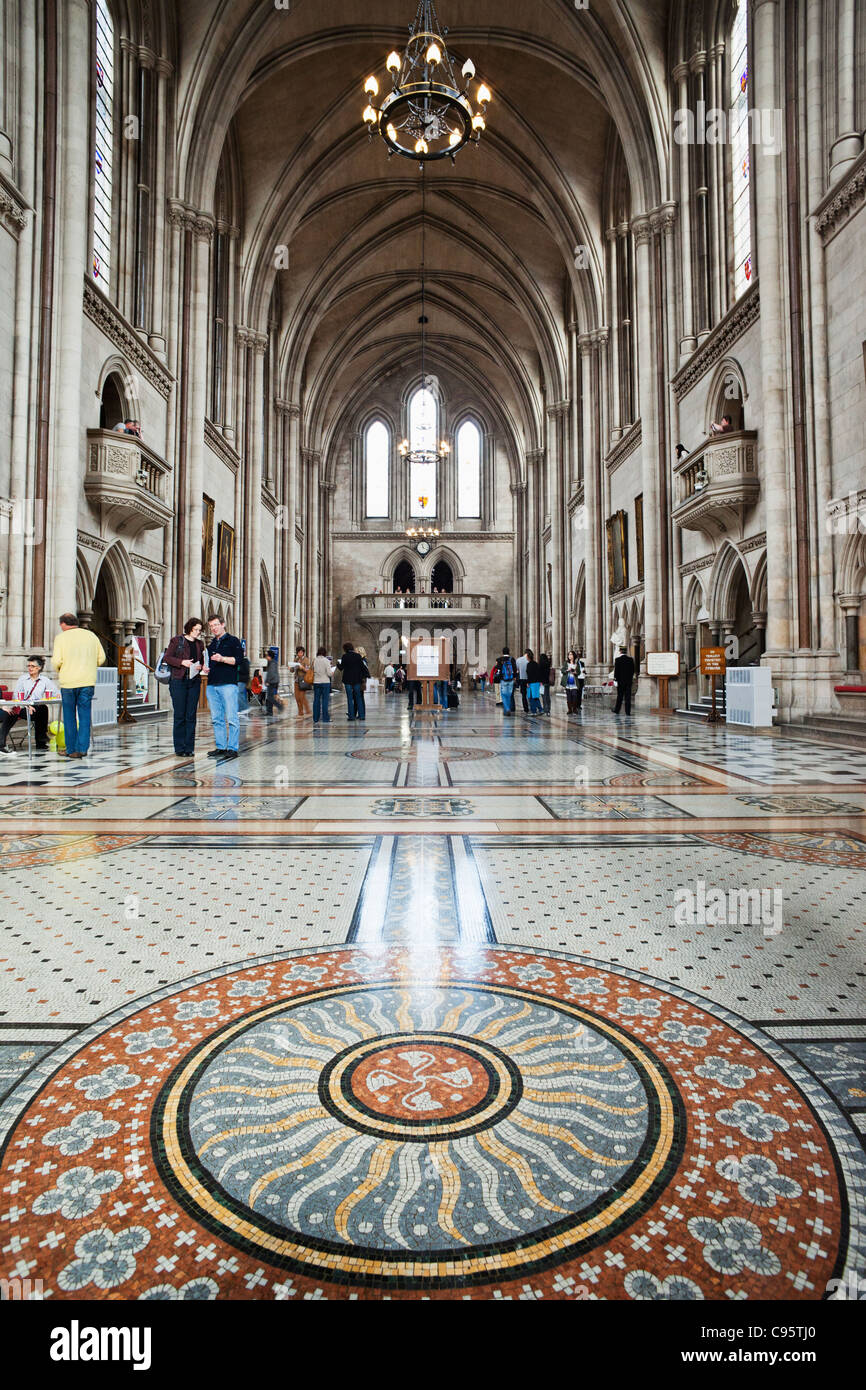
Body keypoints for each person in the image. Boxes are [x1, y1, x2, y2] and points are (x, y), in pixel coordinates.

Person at [51, 613, 106, 758]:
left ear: (63, 624)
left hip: (68, 683)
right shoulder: (91, 636)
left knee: (69, 717)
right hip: (87, 682)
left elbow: (56, 661)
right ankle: (82, 748)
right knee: (84, 716)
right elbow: (101, 658)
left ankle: (70, 750)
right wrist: (88, 667)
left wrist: (62, 670)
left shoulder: (61, 638)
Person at [164, 618, 206, 756]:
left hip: (194, 681)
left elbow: (202, 660)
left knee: (191, 716)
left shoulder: (200, 644)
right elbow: (168, 658)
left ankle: (189, 748)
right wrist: (183, 662)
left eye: (199, 630)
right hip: (178, 681)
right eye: (195, 629)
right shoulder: (177, 640)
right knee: (180, 715)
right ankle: (179, 748)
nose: (197, 632)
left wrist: (200, 666)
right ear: (189, 628)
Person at [0, 656, 58, 755]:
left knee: (43, 708)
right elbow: (16, 696)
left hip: (35, 708)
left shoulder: (45, 680)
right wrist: (25, 705)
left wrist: (58, 694)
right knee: (14, 712)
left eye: (32, 666)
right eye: (29, 666)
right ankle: (2, 744)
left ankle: (41, 740)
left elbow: (55, 692)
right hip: (22, 707)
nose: (30, 668)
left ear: (39, 668)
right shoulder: (23, 679)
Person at [205, 614, 244, 758]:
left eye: (216, 625)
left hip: (228, 684)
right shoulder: (211, 645)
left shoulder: (233, 641)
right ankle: (221, 747)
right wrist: (204, 667)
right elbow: (208, 662)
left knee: (232, 717)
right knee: (216, 718)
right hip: (211, 685)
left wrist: (222, 659)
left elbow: (239, 660)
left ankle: (232, 748)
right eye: (211, 626)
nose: (213, 628)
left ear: (223, 624)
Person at [337, 643, 369, 722]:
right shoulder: (358, 656)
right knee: (358, 698)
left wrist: (338, 664)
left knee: (350, 698)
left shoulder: (345, 656)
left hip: (347, 680)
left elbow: (341, 668)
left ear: (345, 649)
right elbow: (362, 667)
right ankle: (361, 716)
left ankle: (351, 716)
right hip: (357, 680)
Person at [312, 646, 335, 724]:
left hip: (316, 682)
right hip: (325, 682)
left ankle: (315, 718)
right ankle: (325, 718)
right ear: (325, 653)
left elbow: (313, 670)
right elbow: (329, 673)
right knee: (325, 701)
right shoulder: (326, 661)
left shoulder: (314, 660)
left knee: (316, 700)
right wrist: (332, 673)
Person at [288, 646, 312, 718]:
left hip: (303, 680)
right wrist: (290, 668)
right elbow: (292, 670)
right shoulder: (296, 659)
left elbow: (308, 670)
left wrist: (302, 668)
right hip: (296, 680)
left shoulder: (306, 659)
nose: (299, 654)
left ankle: (304, 712)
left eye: (301, 652)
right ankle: (301, 712)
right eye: (298, 652)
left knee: (301, 697)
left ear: (303, 652)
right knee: (297, 697)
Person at [560, 649, 584, 715]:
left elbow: (579, 672)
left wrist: (575, 672)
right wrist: (567, 670)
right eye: (569, 655)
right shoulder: (566, 663)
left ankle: (574, 709)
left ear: (574, 655)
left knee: (574, 696)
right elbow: (562, 670)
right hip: (567, 682)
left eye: (571, 654)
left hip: (574, 682)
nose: (570, 656)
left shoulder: (576, 664)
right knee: (569, 697)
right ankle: (569, 709)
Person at [613, 646, 636, 716]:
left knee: (620, 696)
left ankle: (617, 710)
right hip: (628, 681)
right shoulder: (630, 659)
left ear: (620, 651)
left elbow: (616, 671)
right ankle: (628, 712)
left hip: (620, 682)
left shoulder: (618, 659)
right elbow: (633, 670)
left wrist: (615, 679)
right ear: (626, 652)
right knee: (627, 697)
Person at [497, 647, 516, 714]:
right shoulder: (512, 659)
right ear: (509, 652)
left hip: (503, 680)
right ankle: (506, 710)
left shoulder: (500, 660)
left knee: (504, 695)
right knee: (509, 695)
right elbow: (515, 669)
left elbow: (498, 670)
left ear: (503, 652)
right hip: (511, 680)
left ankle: (507, 709)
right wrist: (514, 678)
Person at [264, 647, 282, 715]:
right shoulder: (272, 662)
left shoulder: (272, 663)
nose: (266, 657)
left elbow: (271, 673)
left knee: (270, 697)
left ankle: (280, 706)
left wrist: (267, 681)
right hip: (274, 681)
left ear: (269, 656)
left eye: (267, 655)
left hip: (272, 681)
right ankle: (269, 712)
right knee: (269, 697)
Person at [525, 650, 542, 714]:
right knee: (535, 697)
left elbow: (529, 674)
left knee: (531, 698)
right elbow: (539, 673)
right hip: (537, 682)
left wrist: (527, 682)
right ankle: (540, 709)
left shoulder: (529, 664)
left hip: (532, 683)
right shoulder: (536, 664)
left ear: (528, 656)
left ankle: (534, 711)